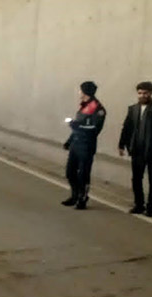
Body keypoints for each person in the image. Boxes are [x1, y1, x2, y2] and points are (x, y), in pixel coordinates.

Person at [117, 81, 152, 217]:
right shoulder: (133, 109)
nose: (142, 95)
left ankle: (151, 207)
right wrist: (121, 145)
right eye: (140, 93)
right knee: (136, 179)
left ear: (150, 93)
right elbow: (127, 128)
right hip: (137, 150)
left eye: (145, 93)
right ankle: (139, 204)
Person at [62, 81, 106, 210]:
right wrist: (69, 141)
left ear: (85, 92)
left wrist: (78, 126)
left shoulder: (97, 108)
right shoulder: (84, 106)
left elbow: (94, 128)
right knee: (70, 172)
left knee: (83, 174)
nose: (79, 93)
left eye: (80, 90)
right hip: (76, 143)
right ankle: (74, 195)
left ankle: (82, 198)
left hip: (87, 145)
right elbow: (77, 125)